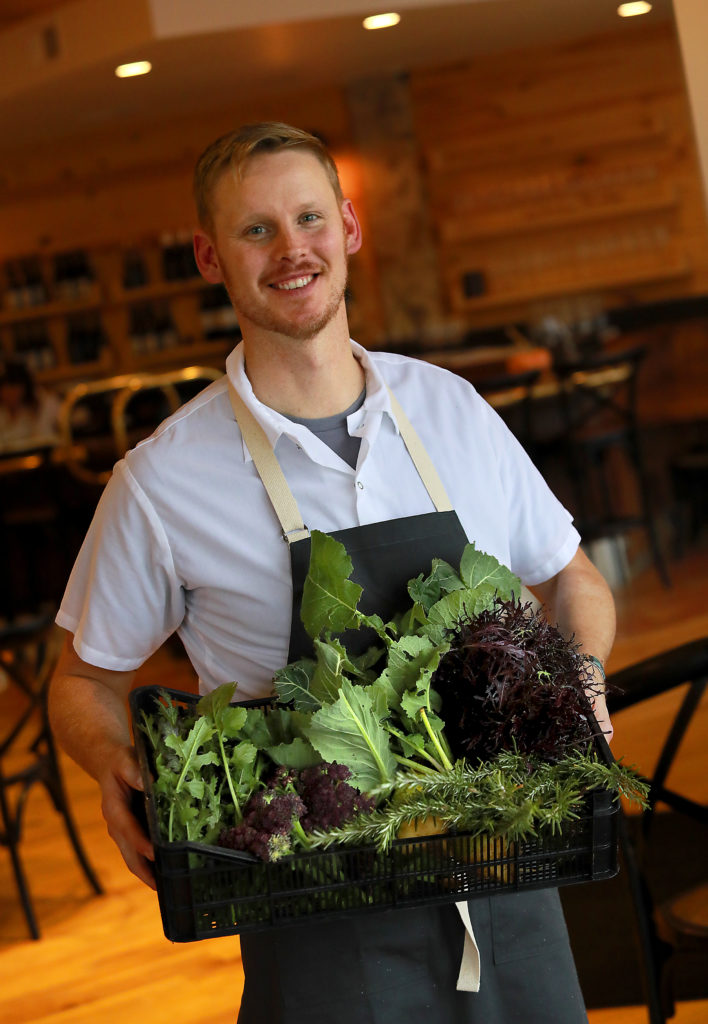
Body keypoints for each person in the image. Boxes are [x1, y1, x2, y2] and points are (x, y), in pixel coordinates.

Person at [49, 122, 615, 1023]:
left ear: (348, 228)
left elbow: (570, 576)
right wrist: (114, 763)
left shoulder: (451, 408)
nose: (291, 250)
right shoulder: (160, 481)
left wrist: (580, 678)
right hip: (314, 903)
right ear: (210, 256)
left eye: (309, 217)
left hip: (506, 866)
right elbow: (82, 678)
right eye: (256, 230)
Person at [0, 358, 61, 449]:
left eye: (12, 386)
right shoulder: (2, 412)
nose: (8, 392)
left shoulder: (44, 402)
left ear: (24, 386)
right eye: (3, 387)